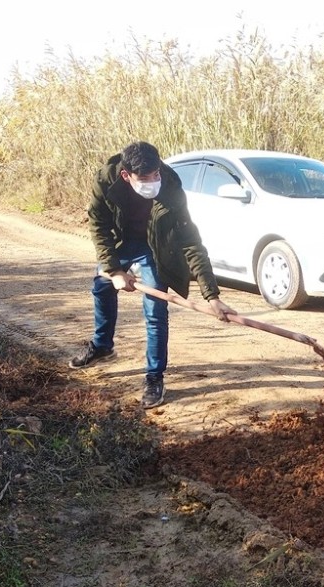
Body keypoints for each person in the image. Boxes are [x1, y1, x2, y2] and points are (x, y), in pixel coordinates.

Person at [70, 141, 235, 409]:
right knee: (101, 286)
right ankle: (102, 346)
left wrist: (212, 295)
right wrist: (114, 270)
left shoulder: (170, 184)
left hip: (153, 247)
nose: (153, 181)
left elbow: (190, 240)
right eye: (145, 178)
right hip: (121, 243)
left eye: (155, 174)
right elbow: (98, 225)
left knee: (156, 309)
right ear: (126, 175)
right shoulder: (105, 180)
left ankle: (154, 377)